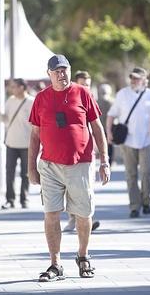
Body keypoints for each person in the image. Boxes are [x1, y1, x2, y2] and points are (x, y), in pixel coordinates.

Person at [28, 54, 110, 281]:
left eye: (64, 70)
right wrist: (31, 168)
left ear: (69, 71)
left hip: (80, 164)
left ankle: (83, 256)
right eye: (56, 71)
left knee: (83, 214)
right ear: (49, 74)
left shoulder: (82, 93)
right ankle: (55, 264)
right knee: (51, 214)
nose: (61, 74)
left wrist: (104, 160)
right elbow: (34, 136)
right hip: (50, 165)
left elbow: (97, 127)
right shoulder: (41, 98)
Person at [107, 67, 150, 218]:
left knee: (146, 173)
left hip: (146, 140)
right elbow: (111, 115)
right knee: (131, 174)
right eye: (132, 78)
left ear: (144, 80)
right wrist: (109, 132)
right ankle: (134, 206)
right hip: (128, 141)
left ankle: (146, 201)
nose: (134, 81)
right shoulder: (122, 94)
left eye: (137, 78)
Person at [64, 71, 101, 232]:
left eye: (88, 84)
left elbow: (97, 127)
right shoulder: (70, 97)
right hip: (68, 153)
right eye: (83, 84)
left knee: (87, 187)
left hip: (88, 152)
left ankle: (86, 220)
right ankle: (73, 218)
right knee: (69, 187)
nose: (86, 87)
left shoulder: (90, 99)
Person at [0, 78, 34, 209]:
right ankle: (10, 200)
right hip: (11, 143)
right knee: (9, 172)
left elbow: (36, 124)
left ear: (22, 87)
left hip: (27, 144)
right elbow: (6, 120)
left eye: (14, 87)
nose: (12, 89)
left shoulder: (32, 102)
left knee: (25, 174)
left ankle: (24, 199)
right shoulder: (10, 100)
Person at [98, 83, 114, 165]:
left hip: (99, 127)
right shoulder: (111, 102)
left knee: (102, 145)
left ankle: (104, 161)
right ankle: (109, 162)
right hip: (109, 128)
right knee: (109, 146)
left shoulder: (97, 102)